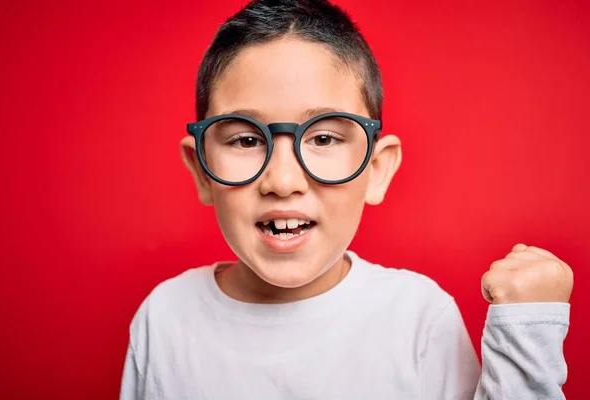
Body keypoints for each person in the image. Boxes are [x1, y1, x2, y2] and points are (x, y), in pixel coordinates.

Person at [120, 0, 573, 398]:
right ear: (202, 169)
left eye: (323, 138)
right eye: (244, 140)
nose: (282, 180)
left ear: (376, 169)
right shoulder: (164, 318)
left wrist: (527, 335)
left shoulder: (417, 318)